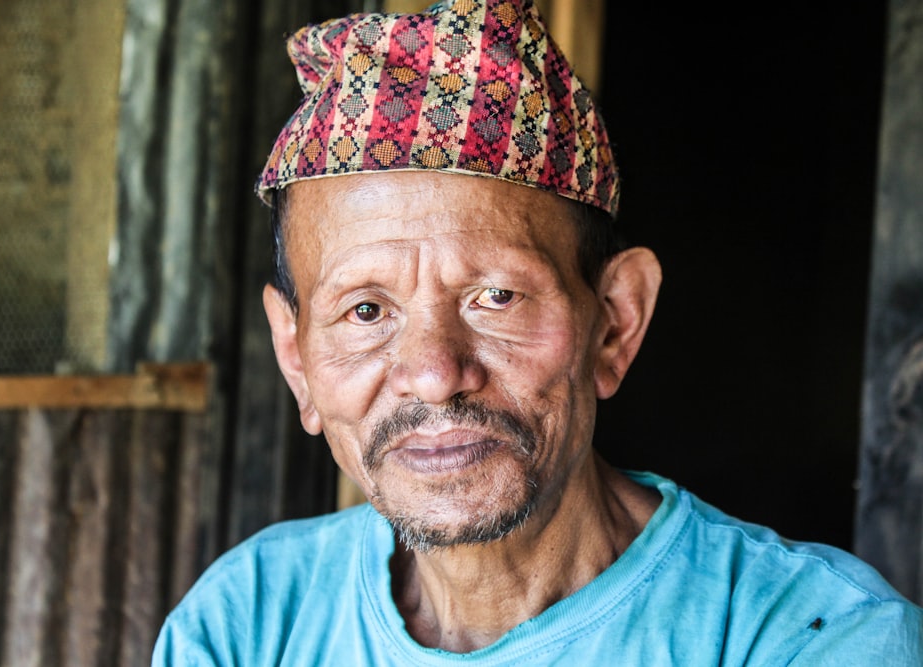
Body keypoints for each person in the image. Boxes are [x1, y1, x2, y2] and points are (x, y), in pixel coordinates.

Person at [152, 0, 923, 663]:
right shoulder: (246, 624)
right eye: (365, 311)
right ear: (296, 357)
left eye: (496, 296)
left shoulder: (810, 639)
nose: (433, 371)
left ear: (616, 322)